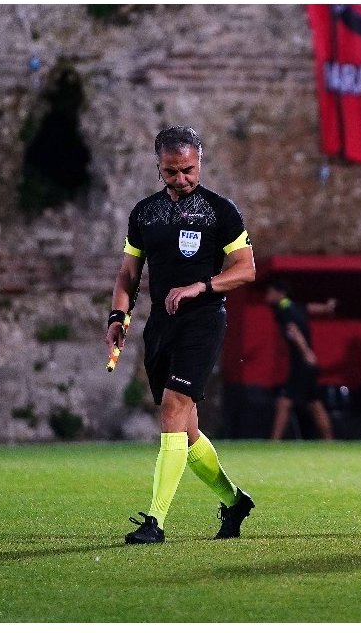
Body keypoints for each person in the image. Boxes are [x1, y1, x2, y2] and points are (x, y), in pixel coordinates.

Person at [105, 126, 259, 545]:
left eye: (188, 170)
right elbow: (128, 273)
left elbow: (245, 270)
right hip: (161, 324)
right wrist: (118, 315)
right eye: (171, 172)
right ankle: (234, 500)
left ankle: (155, 521)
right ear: (159, 167)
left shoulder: (220, 212)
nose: (181, 179)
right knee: (186, 429)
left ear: (200, 163)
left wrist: (200, 286)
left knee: (173, 408)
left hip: (204, 319)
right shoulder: (144, 214)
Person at [264, 277, 337, 442]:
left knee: (284, 402)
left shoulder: (283, 309)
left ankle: (274, 443)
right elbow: (310, 308)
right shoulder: (293, 306)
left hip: (302, 364)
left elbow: (293, 329)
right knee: (315, 403)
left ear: (279, 293)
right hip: (307, 364)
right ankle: (330, 441)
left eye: (269, 292)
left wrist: (306, 353)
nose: (267, 296)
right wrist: (327, 307)